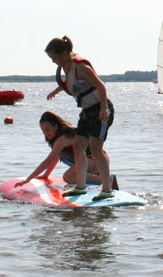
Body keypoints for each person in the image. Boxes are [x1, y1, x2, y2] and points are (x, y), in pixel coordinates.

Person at [44, 36, 115, 201]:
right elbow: (71, 84)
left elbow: (101, 86)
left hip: (100, 110)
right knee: (78, 146)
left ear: (62, 53)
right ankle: (81, 187)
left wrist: (104, 108)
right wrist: (56, 91)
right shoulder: (67, 68)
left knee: (96, 149)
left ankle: (107, 189)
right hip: (87, 111)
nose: (53, 62)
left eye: (54, 58)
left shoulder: (80, 66)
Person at [12, 111, 117, 189]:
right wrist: (46, 175)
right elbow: (56, 158)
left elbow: (48, 160)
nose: (46, 133)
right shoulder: (58, 140)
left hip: (96, 161)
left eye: (48, 130)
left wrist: (28, 179)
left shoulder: (63, 138)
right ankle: (98, 178)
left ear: (56, 126)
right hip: (90, 163)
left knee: (68, 177)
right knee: (70, 174)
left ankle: (107, 179)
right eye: (43, 131)